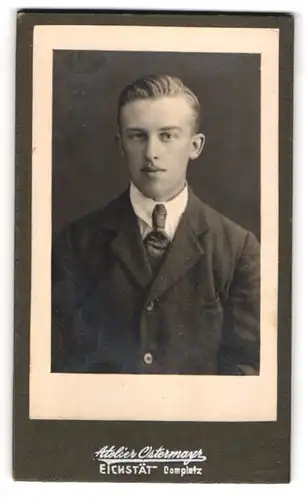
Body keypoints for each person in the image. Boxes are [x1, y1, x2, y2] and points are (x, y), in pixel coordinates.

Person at [51, 74, 260, 375]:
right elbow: (59, 366)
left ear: (195, 145)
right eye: (138, 136)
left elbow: (249, 371)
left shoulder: (238, 249)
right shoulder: (75, 243)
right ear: (120, 144)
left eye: (167, 136)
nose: (151, 153)